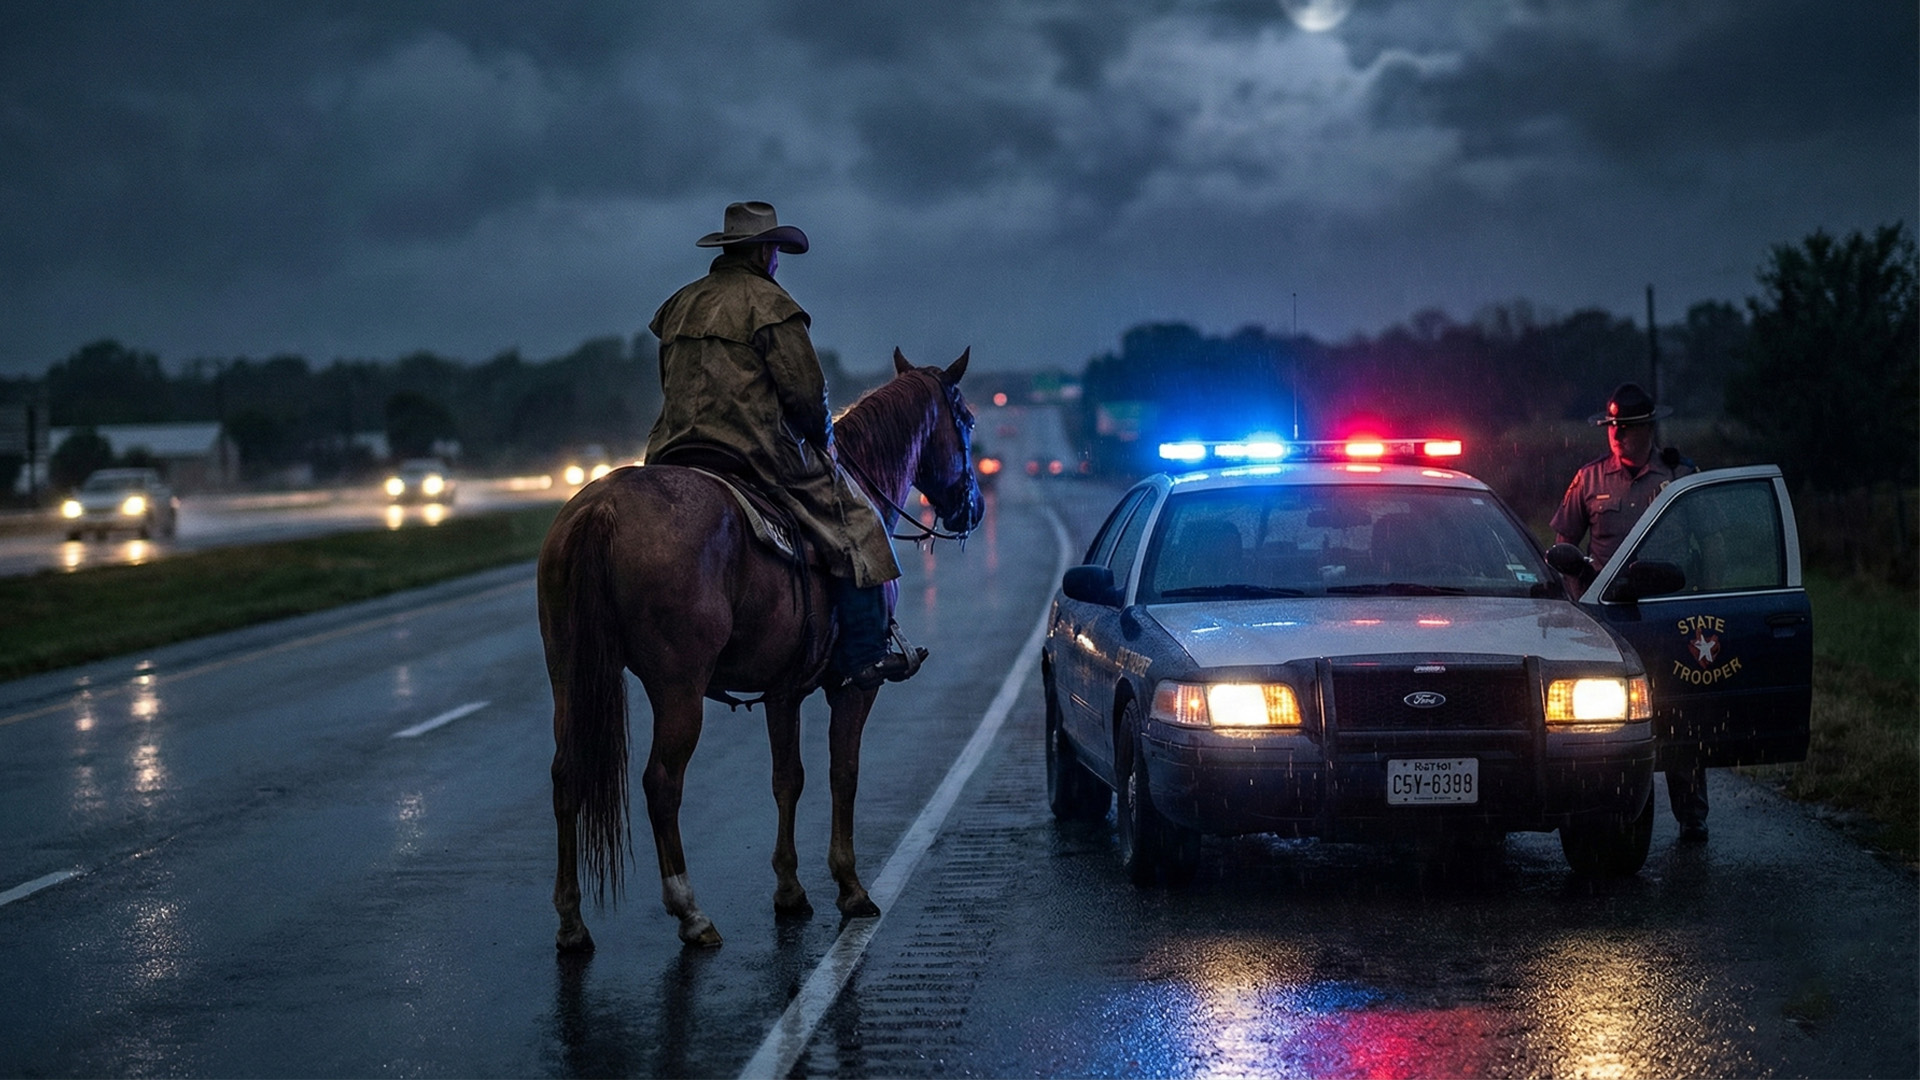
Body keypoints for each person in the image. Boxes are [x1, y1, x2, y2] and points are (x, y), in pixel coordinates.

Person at [645, 201, 921, 690]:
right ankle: (864, 654)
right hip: (754, 452)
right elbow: (806, 395)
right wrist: (823, 439)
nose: (776, 260)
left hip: (673, 451)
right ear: (766, 252)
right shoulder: (773, 307)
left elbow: (670, 380)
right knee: (858, 523)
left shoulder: (679, 305)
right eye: (775, 251)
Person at [1551, 382, 1708, 841]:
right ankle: (1612, 813)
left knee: (1680, 715)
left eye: (1628, 427)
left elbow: (1707, 543)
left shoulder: (1678, 477)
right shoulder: (1590, 480)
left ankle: (1692, 814)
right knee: (1608, 722)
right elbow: (1563, 543)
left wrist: (1705, 595)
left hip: (1666, 612)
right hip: (1608, 617)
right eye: (1612, 427)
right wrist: (1573, 599)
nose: (1617, 435)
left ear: (1648, 428)